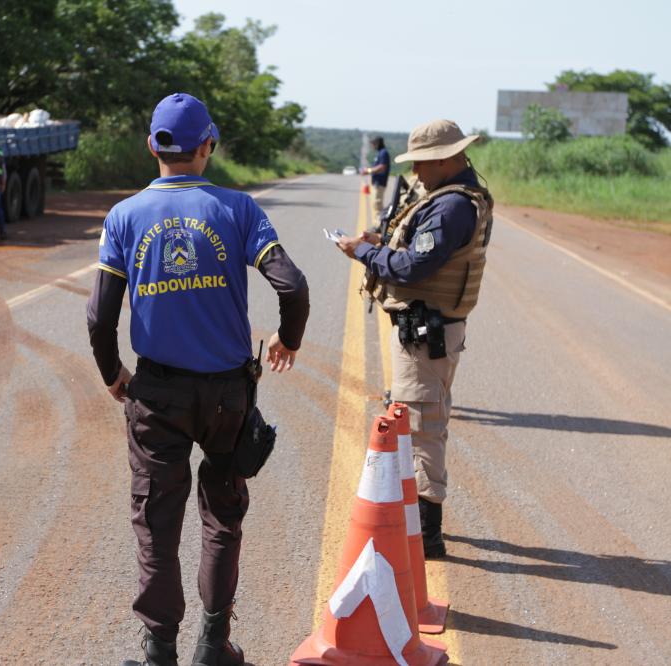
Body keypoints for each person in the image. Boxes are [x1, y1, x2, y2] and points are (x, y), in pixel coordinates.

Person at [86, 92, 310, 666]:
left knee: (157, 522)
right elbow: (292, 284)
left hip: (156, 393)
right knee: (223, 515)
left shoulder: (125, 216)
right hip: (227, 396)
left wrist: (114, 373)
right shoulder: (238, 209)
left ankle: (159, 651)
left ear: (152, 146)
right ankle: (214, 645)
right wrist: (289, 340)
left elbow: (99, 314)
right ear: (206, 146)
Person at [336, 119, 493, 559]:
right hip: (428, 330)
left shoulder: (451, 207)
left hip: (427, 333)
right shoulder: (450, 198)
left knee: (422, 425)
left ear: (446, 159)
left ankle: (427, 535)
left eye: (422, 163)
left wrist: (362, 251)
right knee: (416, 418)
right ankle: (419, 519)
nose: (418, 172)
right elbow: (414, 253)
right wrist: (378, 242)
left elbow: (412, 268)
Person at [360, 136, 390, 221]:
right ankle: (378, 222)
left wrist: (368, 171)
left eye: (373, 144)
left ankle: (380, 224)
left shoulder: (384, 153)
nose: (372, 146)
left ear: (377, 144)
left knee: (377, 204)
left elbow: (382, 167)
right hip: (376, 182)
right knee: (375, 204)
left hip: (380, 182)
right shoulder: (380, 153)